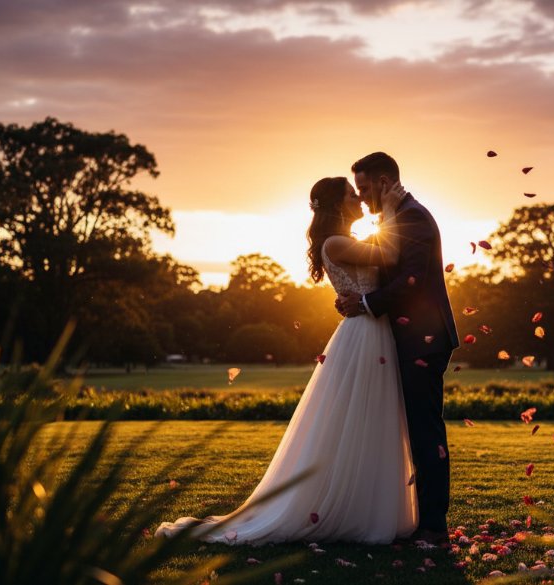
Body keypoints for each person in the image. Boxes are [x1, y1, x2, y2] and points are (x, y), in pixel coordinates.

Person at [156, 175, 417, 544]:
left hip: (372, 329)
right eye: (351, 194)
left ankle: (368, 505)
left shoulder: (345, 241)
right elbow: (389, 255)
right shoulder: (336, 243)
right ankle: (353, 510)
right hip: (363, 335)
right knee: (358, 416)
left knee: (371, 418)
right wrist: (389, 210)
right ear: (336, 205)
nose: (359, 199)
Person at [336, 152, 460, 544]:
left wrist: (365, 303)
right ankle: (418, 519)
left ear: (385, 182)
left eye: (364, 188)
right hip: (407, 338)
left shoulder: (413, 218)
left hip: (423, 339)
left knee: (425, 429)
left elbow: (410, 280)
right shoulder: (396, 216)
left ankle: (434, 527)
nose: (362, 197)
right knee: (414, 429)